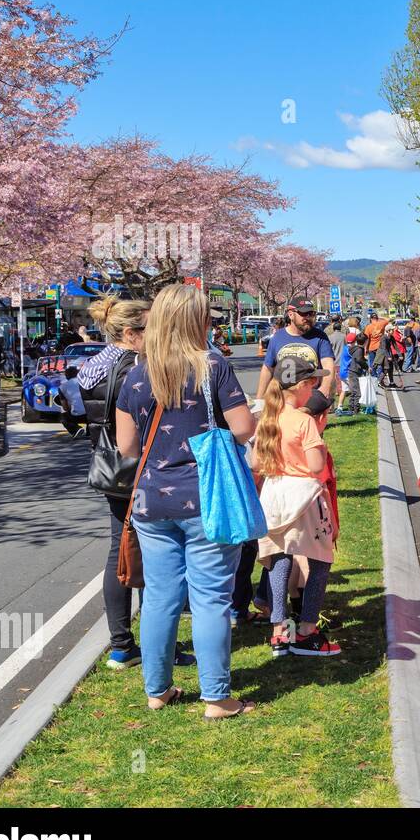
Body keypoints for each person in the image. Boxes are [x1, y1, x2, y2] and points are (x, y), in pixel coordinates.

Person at [115, 285, 256, 718]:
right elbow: (245, 428)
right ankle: (216, 697)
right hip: (207, 497)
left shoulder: (137, 375)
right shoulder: (213, 366)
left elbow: (127, 448)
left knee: (159, 597)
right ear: (195, 321)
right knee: (212, 597)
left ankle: (157, 690)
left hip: (151, 503)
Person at [80, 296, 192, 670]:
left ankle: (121, 643)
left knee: (120, 551)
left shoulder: (92, 366)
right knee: (155, 557)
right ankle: (162, 645)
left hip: (111, 468)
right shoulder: (137, 367)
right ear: (131, 334)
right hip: (143, 466)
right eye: (151, 327)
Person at [252, 354, 341, 658]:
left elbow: (256, 462)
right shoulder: (304, 421)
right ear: (301, 385)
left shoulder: (268, 416)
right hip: (303, 496)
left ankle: (278, 629)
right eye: (312, 382)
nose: (314, 387)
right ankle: (306, 629)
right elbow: (316, 465)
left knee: (279, 558)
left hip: (274, 494)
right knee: (320, 560)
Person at [255, 298, 337, 414]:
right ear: (291, 314)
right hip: (282, 401)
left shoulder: (320, 336)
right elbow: (268, 368)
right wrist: (259, 399)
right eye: (304, 314)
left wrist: (324, 389)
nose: (308, 318)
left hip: (309, 399)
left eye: (311, 314)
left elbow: (328, 365)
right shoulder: (278, 337)